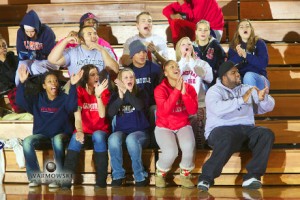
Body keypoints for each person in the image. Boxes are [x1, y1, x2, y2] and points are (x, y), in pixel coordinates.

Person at [197, 61, 275, 191]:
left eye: (237, 72)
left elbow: (268, 107)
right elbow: (217, 109)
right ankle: (206, 178)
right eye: (233, 73)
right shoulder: (213, 91)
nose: (238, 74)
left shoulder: (246, 88)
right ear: (224, 77)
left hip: (246, 130)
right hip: (220, 130)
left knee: (266, 134)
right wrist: (241, 100)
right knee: (227, 137)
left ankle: (252, 176)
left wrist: (264, 98)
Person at [16, 64, 83, 188]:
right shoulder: (38, 99)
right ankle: (34, 178)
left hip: (61, 134)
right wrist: (22, 83)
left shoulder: (64, 98)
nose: (54, 83)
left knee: (57, 140)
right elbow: (20, 102)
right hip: (43, 135)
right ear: (44, 86)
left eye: (56, 81)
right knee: (27, 141)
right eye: (50, 81)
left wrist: (73, 85)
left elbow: (72, 106)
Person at [62, 64, 110, 189]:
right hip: (84, 130)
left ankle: (101, 182)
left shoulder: (103, 90)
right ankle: (65, 184)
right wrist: (79, 131)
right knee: (75, 138)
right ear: (85, 78)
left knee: (98, 136)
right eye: (92, 74)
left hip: (100, 130)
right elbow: (77, 117)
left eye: (97, 74)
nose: (96, 77)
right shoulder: (79, 92)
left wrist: (98, 96)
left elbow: (102, 114)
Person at [154, 60, 198, 188]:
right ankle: (160, 174)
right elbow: (165, 111)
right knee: (171, 152)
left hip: (182, 124)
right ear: (165, 72)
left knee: (189, 146)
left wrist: (184, 93)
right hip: (164, 126)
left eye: (177, 66)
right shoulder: (159, 89)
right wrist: (176, 91)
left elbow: (193, 111)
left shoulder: (189, 88)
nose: (176, 68)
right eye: (172, 67)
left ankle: (185, 175)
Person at [108, 68, 150, 187]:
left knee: (131, 139)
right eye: (125, 77)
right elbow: (110, 113)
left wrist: (126, 92)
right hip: (122, 132)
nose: (129, 79)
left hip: (141, 133)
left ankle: (140, 175)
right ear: (121, 81)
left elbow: (139, 106)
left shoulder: (141, 92)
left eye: (131, 77)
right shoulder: (116, 95)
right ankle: (118, 175)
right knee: (113, 139)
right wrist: (120, 99)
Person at [175, 36, 213, 149]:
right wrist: (182, 62)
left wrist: (191, 63)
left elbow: (209, 78)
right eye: (183, 44)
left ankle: (199, 150)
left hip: (198, 103)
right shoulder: (176, 64)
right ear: (178, 49)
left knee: (198, 130)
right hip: (180, 103)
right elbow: (173, 79)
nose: (187, 46)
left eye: (189, 44)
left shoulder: (202, 63)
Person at [128, 40, 162, 147]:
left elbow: (161, 87)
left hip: (151, 105)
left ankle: (155, 145)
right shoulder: (128, 71)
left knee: (154, 110)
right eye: (138, 52)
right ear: (132, 55)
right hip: (135, 106)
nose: (142, 55)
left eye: (144, 52)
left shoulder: (154, 68)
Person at [48, 26, 119, 78]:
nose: (94, 36)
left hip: (99, 90)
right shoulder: (72, 51)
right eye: (89, 34)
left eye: (95, 33)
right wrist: (66, 41)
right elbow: (52, 60)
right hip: (78, 90)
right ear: (81, 39)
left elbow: (115, 70)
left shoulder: (105, 50)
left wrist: (102, 50)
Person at [15, 10, 58, 85]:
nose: (29, 34)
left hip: (49, 60)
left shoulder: (47, 32)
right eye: (27, 31)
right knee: (21, 69)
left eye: (32, 31)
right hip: (31, 58)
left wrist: (34, 55)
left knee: (35, 66)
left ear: (36, 28)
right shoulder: (21, 32)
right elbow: (20, 52)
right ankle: (20, 90)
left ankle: (41, 89)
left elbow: (49, 54)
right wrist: (31, 55)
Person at [228, 19, 269, 90]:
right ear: (238, 32)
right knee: (230, 79)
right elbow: (228, 66)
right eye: (241, 27)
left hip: (259, 78)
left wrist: (246, 55)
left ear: (251, 29)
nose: (245, 28)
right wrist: (239, 56)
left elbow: (263, 63)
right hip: (241, 79)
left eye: (247, 26)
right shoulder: (234, 46)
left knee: (248, 76)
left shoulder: (259, 43)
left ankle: (252, 100)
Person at [193, 20, 226, 87]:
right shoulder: (192, 47)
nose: (203, 32)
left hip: (213, 80)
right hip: (197, 80)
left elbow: (222, 63)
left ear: (209, 32)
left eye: (206, 30)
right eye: (200, 30)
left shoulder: (216, 45)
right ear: (196, 32)